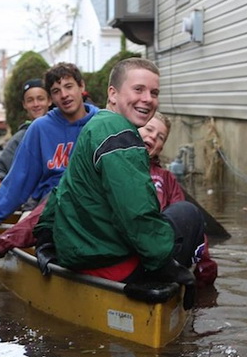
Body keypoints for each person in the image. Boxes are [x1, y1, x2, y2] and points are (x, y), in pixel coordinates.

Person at [34, 58, 204, 308]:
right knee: (188, 213)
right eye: (138, 90)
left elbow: (63, 189)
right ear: (112, 94)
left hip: (77, 253)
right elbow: (137, 213)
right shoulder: (121, 135)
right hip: (109, 264)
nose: (148, 99)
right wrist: (167, 266)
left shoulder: (95, 125)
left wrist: (45, 237)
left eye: (154, 92)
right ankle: (154, 283)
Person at [0, 63, 99, 248]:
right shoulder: (39, 128)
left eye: (69, 86)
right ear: (52, 97)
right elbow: (19, 179)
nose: (64, 95)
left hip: (93, 203)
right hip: (47, 204)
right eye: (56, 91)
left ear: (81, 87)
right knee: (27, 236)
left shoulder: (102, 122)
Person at [139, 112, 218, 287]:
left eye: (160, 137)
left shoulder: (166, 178)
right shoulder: (118, 162)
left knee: (188, 211)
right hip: (131, 246)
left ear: (161, 147)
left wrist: (205, 267)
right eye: (149, 129)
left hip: (159, 245)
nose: (153, 137)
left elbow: (187, 225)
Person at [0, 79, 52, 189]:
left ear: (49, 100)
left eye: (40, 99)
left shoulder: (63, 131)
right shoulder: (19, 139)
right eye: (30, 100)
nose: (36, 104)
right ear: (24, 105)